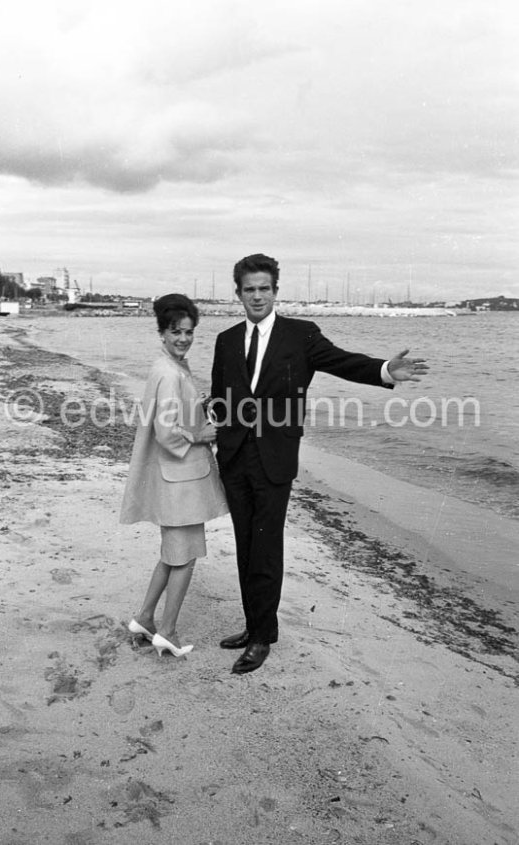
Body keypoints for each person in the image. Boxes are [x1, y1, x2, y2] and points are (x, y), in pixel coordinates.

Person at [211, 254, 428, 675]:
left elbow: (343, 362)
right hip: (235, 456)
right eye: (249, 289)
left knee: (266, 546)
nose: (257, 296)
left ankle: (261, 638)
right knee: (244, 544)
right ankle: (253, 624)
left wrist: (385, 369)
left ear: (276, 291)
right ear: (238, 294)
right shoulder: (225, 339)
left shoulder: (301, 335)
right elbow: (221, 397)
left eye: (264, 288)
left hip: (275, 458)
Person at [120, 293, 228, 658]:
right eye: (175, 331)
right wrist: (200, 434)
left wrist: (199, 408)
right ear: (162, 333)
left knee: (172, 553)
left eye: (188, 332)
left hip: (175, 479)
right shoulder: (169, 372)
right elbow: (167, 433)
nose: (183, 338)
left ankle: (145, 618)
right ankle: (167, 630)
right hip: (180, 480)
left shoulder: (168, 366)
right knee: (186, 555)